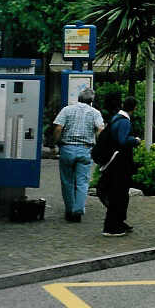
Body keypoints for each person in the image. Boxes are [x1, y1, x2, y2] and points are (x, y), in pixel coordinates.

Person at [52, 87, 104, 222]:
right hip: (85, 150)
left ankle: (69, 210)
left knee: (67, 181)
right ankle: (78, 210)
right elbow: (100, 130)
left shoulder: (67, 110)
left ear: (79, 98)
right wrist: (98, 145)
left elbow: (58, 128)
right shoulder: (95, 113)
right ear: (91, 101)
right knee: (82, 182)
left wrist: (56, 143)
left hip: (67, 149)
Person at [100, 96, 141, 237]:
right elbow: (123, 140)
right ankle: (112, 227)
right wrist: (135, 140)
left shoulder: (115, 118)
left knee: (117, 193)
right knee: (119, 194)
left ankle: (118, 222)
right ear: (134, 108)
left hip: (112, 161)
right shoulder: (125, 122)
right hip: (120, 163)